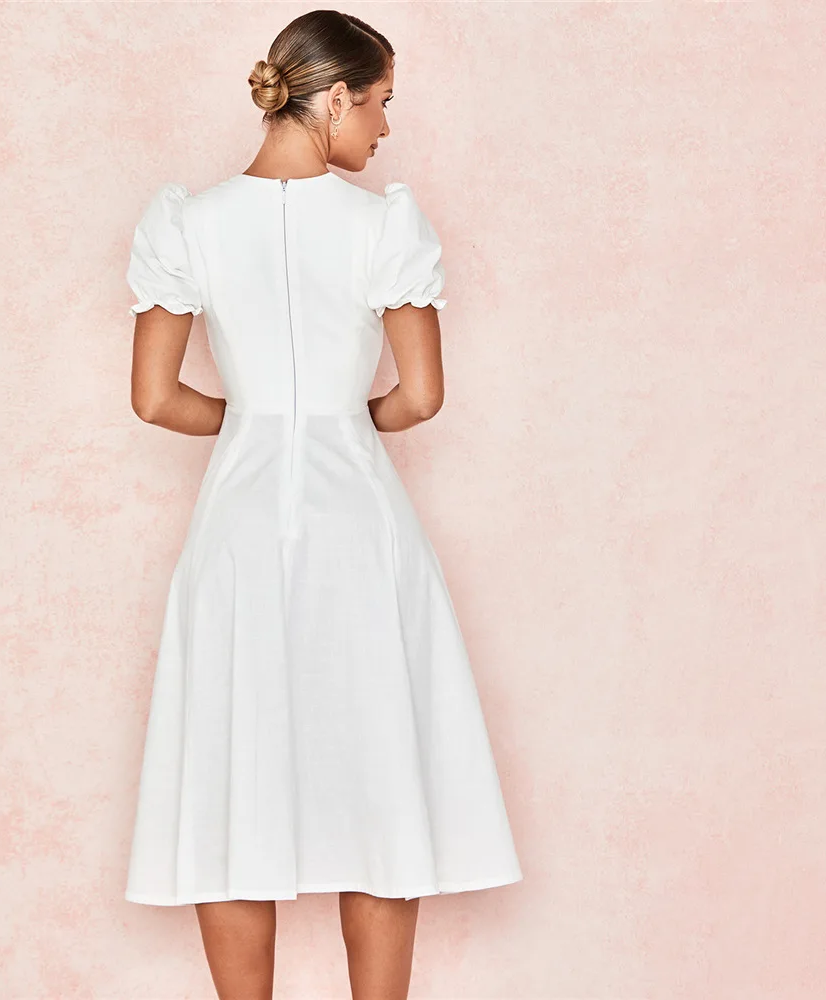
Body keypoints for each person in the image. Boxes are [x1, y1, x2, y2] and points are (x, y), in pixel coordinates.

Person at [123, 10, 522, 998]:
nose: (386, 127)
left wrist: (258, 426)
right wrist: (341, 421)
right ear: (335, 98)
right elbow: (420, 397)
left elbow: (155, 399)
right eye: (380, 103)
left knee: (231, 786)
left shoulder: (185, 223)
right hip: (358, 526)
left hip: (239, 525)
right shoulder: (384, 226)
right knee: (379, 777)